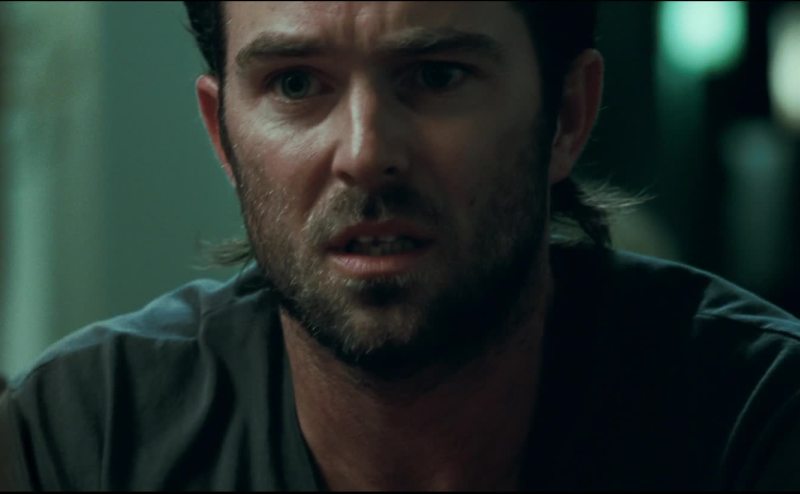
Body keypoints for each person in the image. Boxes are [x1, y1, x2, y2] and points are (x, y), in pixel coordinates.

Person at [1, 1, 799, 490]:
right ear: (223, 136)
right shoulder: (87, 438)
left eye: (437, 75)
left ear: (565, 116)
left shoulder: (755, 418)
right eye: (295, 83)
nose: (365, 152)